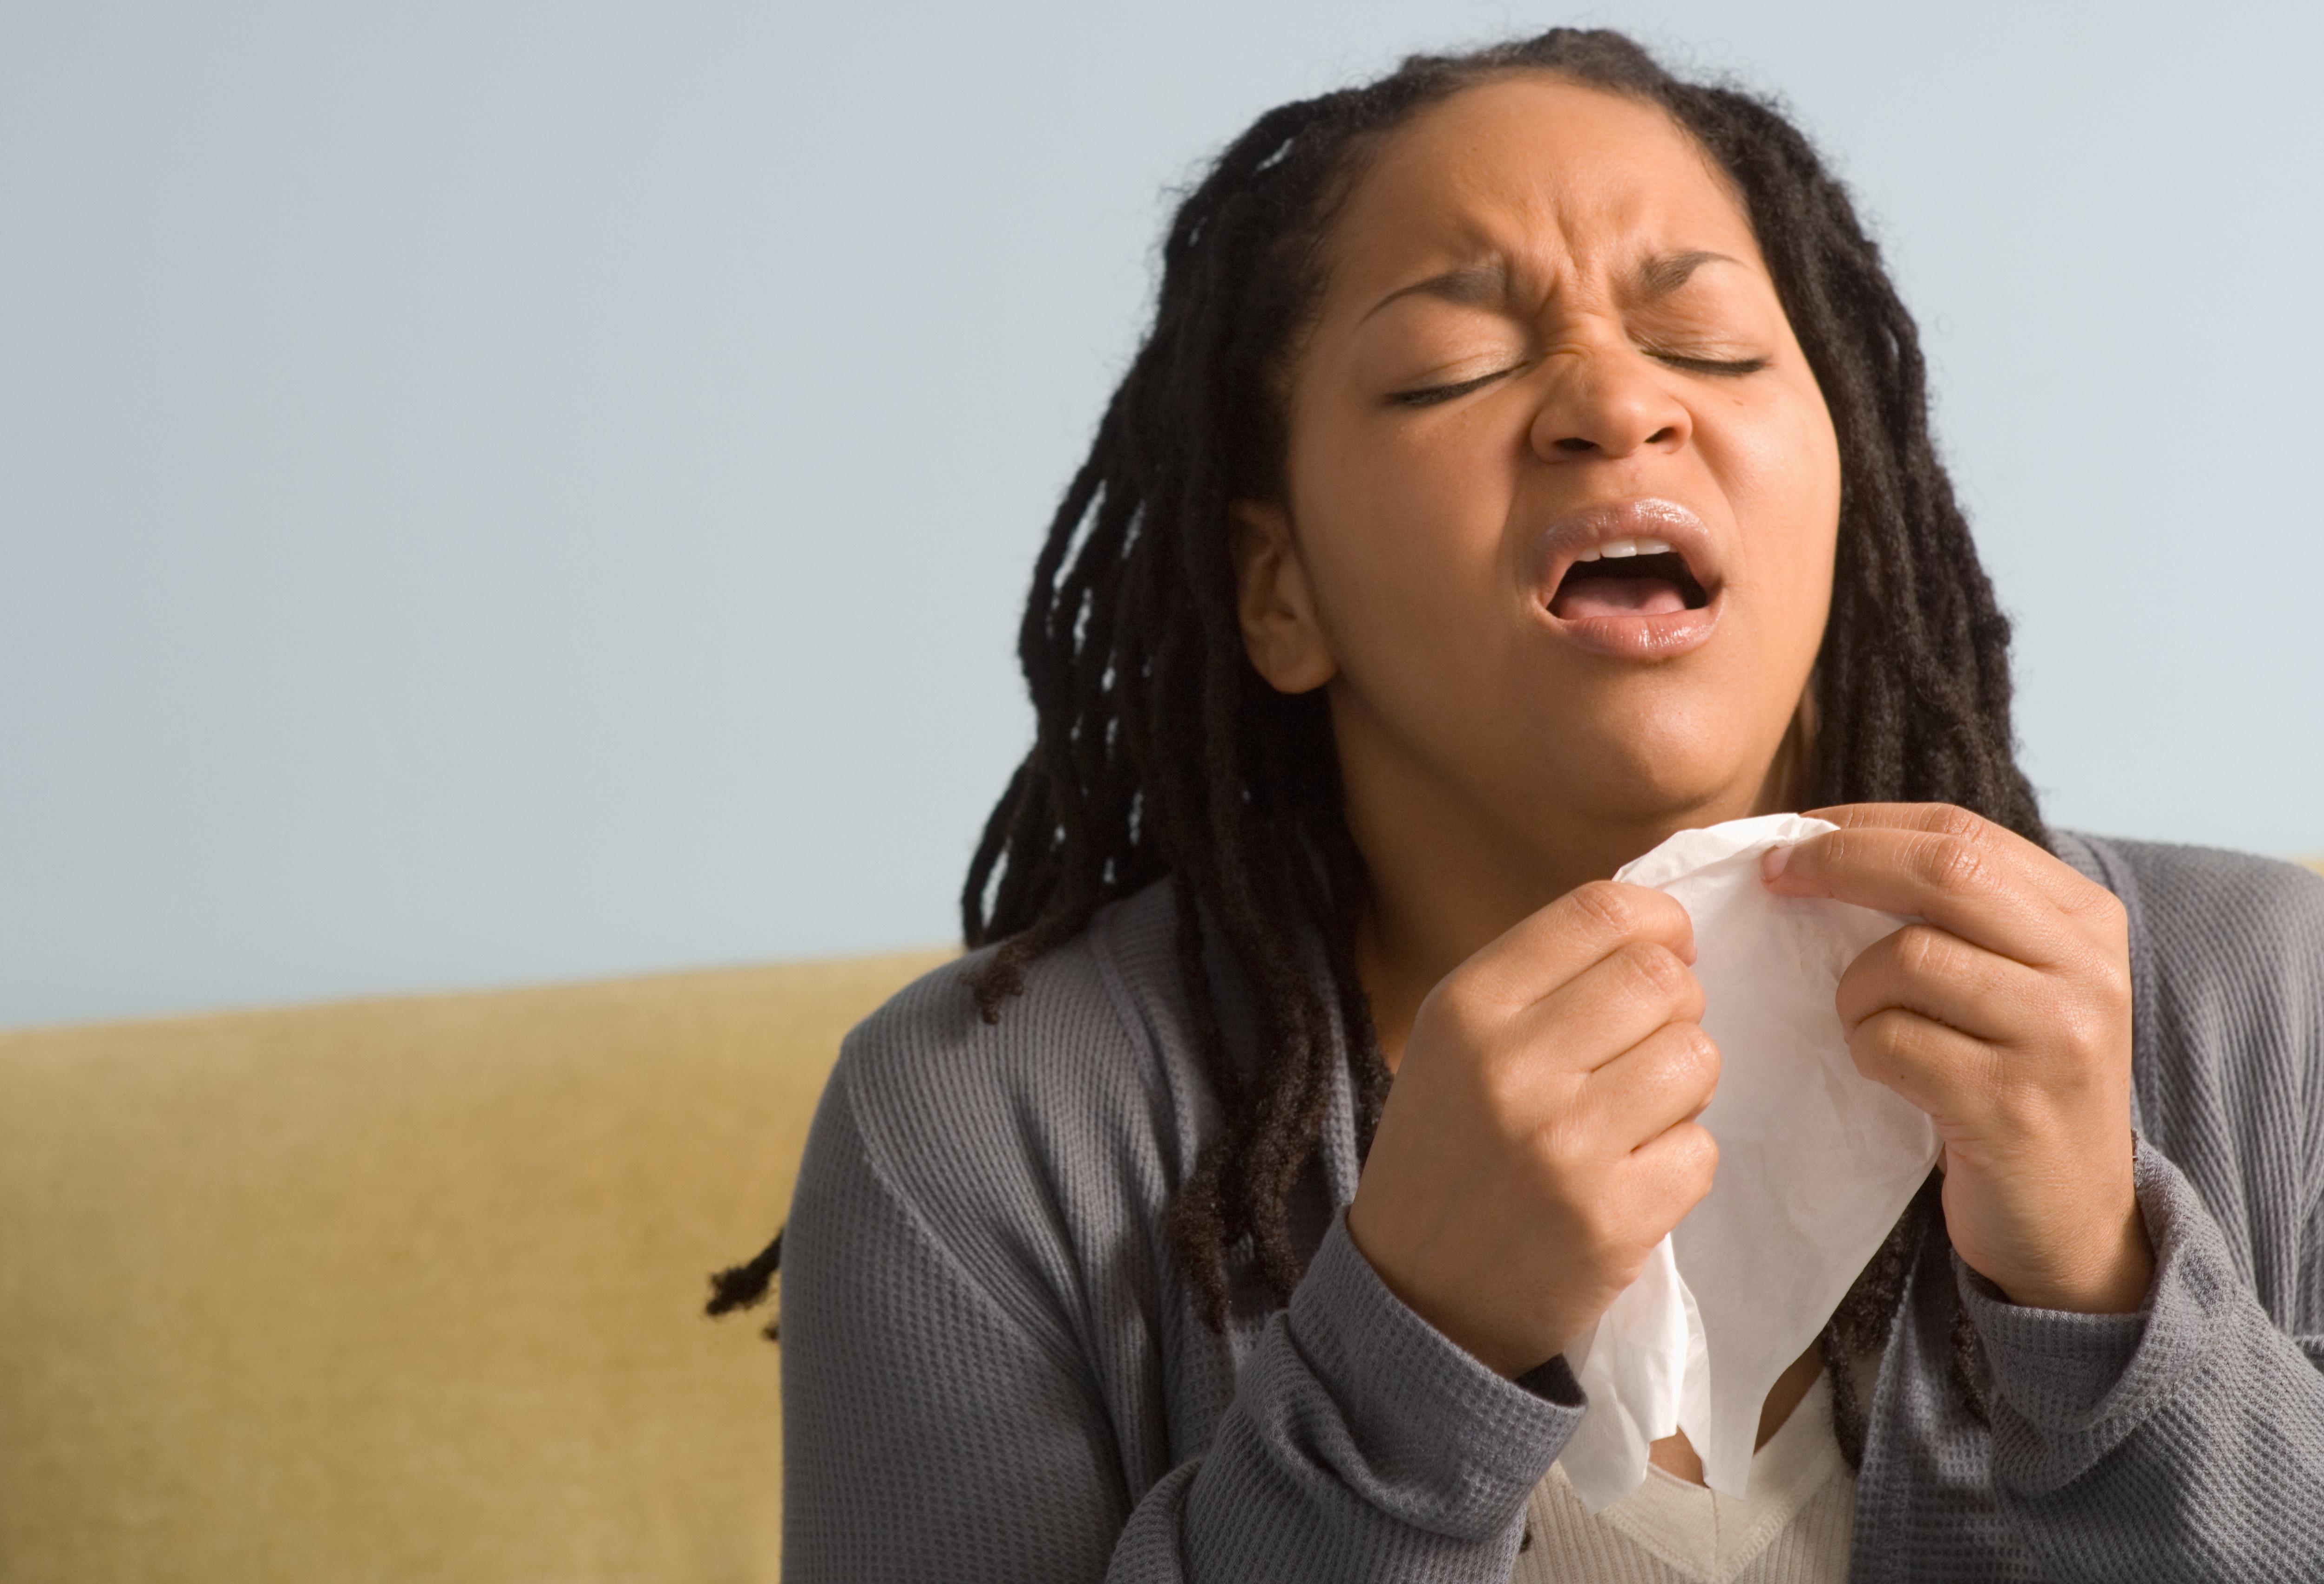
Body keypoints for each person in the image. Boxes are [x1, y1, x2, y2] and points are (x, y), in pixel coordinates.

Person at [723, 28, 2324, 1582]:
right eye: (1451, 370)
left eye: (1710, 347)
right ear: (1278, 592)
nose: (1614, 404)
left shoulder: (2275, 996)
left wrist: (2113, 1309)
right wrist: (1411, 1349)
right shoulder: (973, 1127)